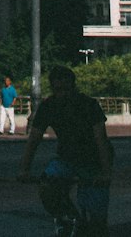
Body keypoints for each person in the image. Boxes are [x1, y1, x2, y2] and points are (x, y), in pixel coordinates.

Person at [18, 64, 112, 237]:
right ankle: (70, 218)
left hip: (94, 160)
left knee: (97, 220)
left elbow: (101, 140)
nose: (63, 94)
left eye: (67, 89)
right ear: (53, 89)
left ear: (74, 87)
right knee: (47, 187)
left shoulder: (89, 105)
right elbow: (33, 140)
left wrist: (105, 173)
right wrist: (24, 169)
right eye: (58, 89)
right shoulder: (49, 106)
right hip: (66, 158)